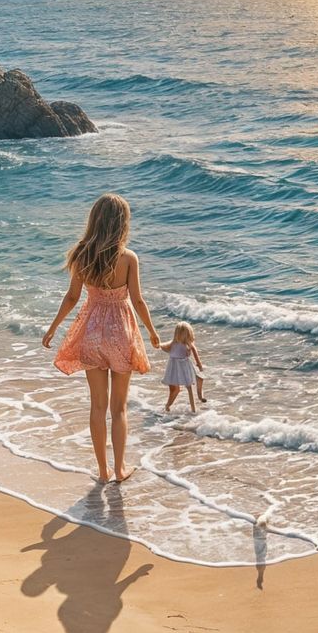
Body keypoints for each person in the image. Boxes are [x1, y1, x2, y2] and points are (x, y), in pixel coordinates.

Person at [41, 194, 161, 484]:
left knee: (98, 406)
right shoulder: (128, 258)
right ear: (122, 223)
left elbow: (72, 297)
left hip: (92, 332)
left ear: (94, 220)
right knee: (119, 408)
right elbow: (138, 300)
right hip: (121, 331)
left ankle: (103, 471)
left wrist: (54, 327)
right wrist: (153, 332)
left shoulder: (82, 254)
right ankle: (120, 469)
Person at [160, 322, 206, 412]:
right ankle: (168, 405)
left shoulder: (188, 345)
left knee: (195, 382)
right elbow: (162, 346)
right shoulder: (172, 343)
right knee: (175, 389)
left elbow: (195, 354)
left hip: (184, 367)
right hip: (174, 368)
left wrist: (199, 364)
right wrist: (157, 343)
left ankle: (199, 398)